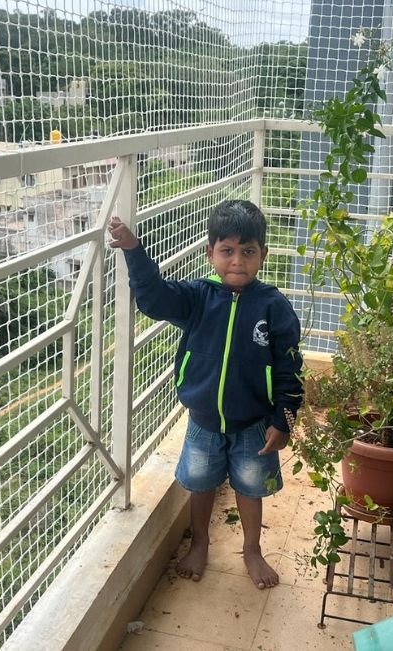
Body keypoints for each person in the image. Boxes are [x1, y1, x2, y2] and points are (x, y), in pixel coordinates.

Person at [109, 199, 303, 589]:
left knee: (250, 488)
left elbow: (289, 368)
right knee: (200, 484)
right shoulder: (198, 297)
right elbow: (153, 299)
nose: (238, 261)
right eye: (227, 251)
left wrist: (284, 420)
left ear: (263, 254)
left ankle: (252, 550)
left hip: (254, 425)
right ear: (209, 252)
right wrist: (133, 249)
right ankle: (200, 543)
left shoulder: (274, 306)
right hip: (202, 424)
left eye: (248, 252)